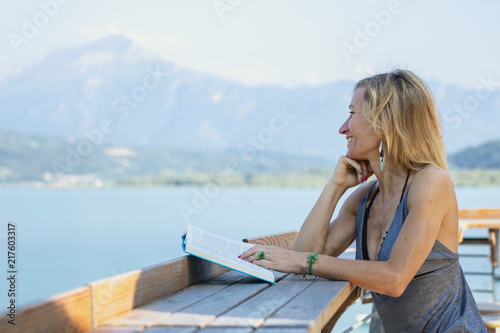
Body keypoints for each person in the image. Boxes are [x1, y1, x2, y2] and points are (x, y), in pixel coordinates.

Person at [240, 69, 486, 332]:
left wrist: (303, 261)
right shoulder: (365, 199)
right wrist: (334, 188)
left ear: (385, 123)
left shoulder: (431, 183)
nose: (342, 128)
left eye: (352, 113)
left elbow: (395, 278)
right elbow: (304, 257)